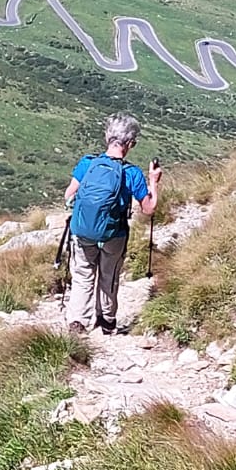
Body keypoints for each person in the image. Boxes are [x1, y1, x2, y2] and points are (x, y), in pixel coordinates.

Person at [63, 113, 162, 334]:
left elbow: (69, 196)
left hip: (83, 231)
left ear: (107, 137)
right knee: (109, 275)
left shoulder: (87, 163)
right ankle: (106, 321)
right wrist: (153, 182)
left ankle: (77, 322)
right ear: (130, 143)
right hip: (114, 234)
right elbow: (149, 208)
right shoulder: (132, 173)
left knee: (83, 275)